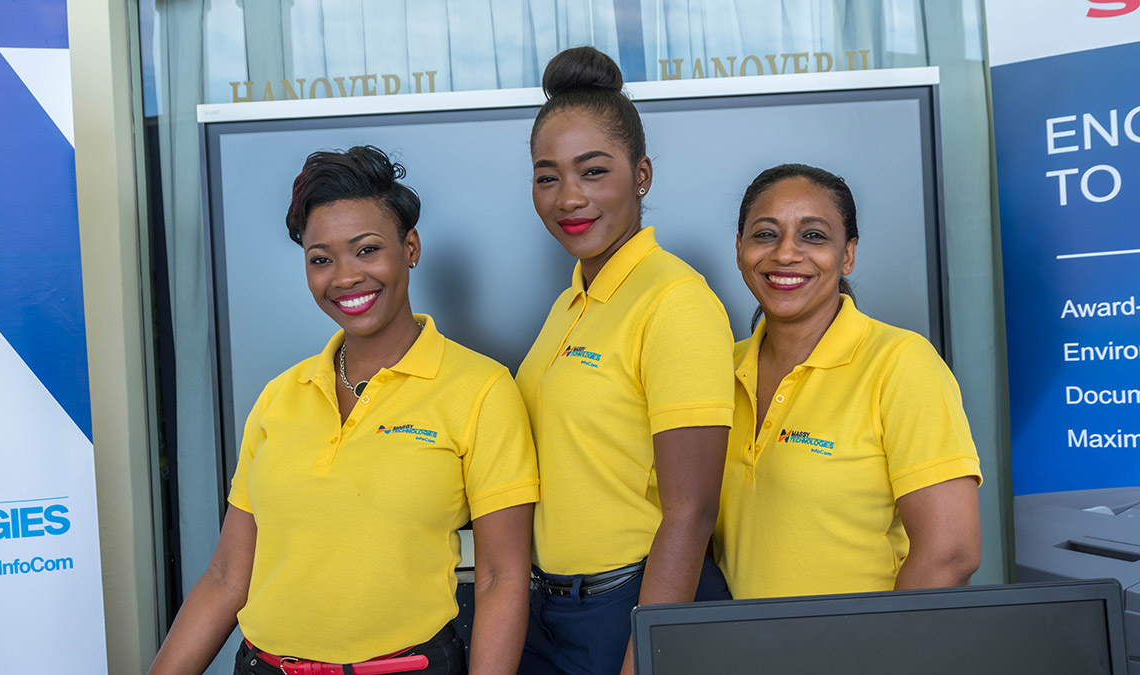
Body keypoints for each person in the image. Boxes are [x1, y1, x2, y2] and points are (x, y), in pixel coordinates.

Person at [148, 146, 538, 675]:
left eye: (367, 250)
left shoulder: (481, 389)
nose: (345, 277)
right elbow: (225, 578)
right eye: (321, 259)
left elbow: (499, 579)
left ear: (410, 248)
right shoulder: (279, 396)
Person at [514, 47, 734, 675]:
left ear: (641, 175)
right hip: (551, 609)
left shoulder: (675, 300)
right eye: (548, 177)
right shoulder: (571, 303)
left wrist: (645, 653)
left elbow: (692, 513)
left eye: (593, 171)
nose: (568, 198)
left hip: (633, 608)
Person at [713, 163, 982, 600]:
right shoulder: (720, 369)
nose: (785, 253)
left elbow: (951, 554)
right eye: (765, 234)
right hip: (732, 638)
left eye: (813, 236)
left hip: (864, 639)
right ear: (740, 248)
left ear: (848, 254)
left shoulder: (900, 363)